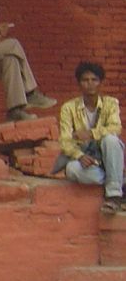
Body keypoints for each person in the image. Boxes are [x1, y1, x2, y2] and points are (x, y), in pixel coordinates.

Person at [54, 61, 123, 214]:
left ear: (101, 83)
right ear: (79, 84)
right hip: (86, 159)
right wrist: (79, 156)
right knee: (72, 170)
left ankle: (114, 196)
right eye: (85, 80)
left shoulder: (111, 103)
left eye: (94, 80)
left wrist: (91, 133)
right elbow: (65, 140)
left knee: (110, 139)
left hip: (106, 154)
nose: (90, 84)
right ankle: (116, 179)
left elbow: (116, 128)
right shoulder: (68, 108)